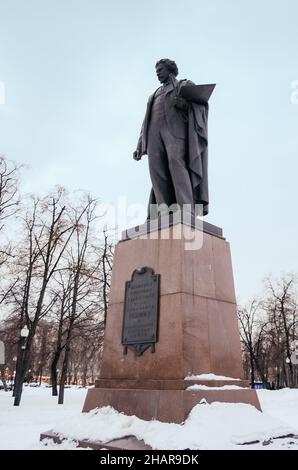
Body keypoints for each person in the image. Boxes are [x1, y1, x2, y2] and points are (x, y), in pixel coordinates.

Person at [133, 58, 209, 218]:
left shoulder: (184, 85)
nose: (158, 73)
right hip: (154, 135)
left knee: (176, 164)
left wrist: (185, 106)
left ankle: (186, 209)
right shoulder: (154, 95)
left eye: (160, 69)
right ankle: (163, 212)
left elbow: (201, 105)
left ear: (170, 69)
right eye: (156, 71)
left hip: (176, 134)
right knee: (156, 170)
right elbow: (145, 122)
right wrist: (140, 145)